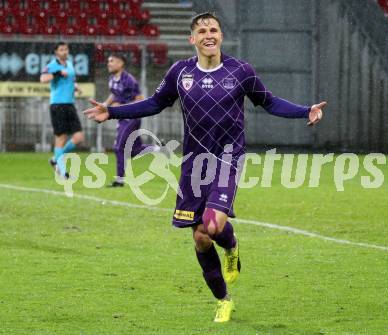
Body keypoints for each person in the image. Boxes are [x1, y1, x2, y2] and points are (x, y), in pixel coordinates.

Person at [84, 12, 326, 322]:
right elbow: (154, 104)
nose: (208, 34)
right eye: (201, 30)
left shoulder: (241, 71)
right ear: (192, 39)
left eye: (213, 29)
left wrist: (306, 110)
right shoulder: (180, 72)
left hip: (228, 158)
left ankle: (231, 244)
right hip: (194, 164)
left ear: (221, 36)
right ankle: (223, 299)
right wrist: (113, 112)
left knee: (212, 225)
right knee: (199, 237)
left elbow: (269, 101)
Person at [103, 54, 159, 187]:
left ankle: (119, 180)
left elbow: (140, 99)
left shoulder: (129, 80)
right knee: (134, 150)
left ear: (121, 63)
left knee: (119, 148)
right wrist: (105, 105)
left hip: (131, 118)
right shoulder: (112, 79)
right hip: (122, 118)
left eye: (112, 60)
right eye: (108, 61)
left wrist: (120, 107)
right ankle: (158, 149)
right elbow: (114, 94)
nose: (109, 64)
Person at [40, 42, 84, 179]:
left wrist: (75, 86)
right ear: (56, 52)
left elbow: (71, 79)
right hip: (58, 105)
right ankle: (63, 172)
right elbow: (43, 79)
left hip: (70, 104)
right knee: (61, 138)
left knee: (79, 137)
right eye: (61, 49)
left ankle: (55, 159)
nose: (64, 51)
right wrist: (58, 73)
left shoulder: (70, 64)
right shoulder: (53, 65)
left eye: (66, 49)